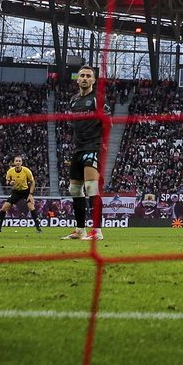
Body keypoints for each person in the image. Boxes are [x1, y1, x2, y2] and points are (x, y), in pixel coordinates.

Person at [61, 65, 110, 241]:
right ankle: (80, 230)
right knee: (74, 189)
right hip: (78, 148)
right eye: (82, 75)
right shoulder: (73, 100)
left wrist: (102, 144)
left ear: (94, 80)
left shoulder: (97, 99)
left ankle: (97, 231)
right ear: (77, 79)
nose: (84, 78)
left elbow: (107, 123)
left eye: (88, 76)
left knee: (91, 187)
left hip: (92, 146)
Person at [0, 155, 41, 233]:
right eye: (16, 161)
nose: (18, 162)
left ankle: (38, 228)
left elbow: (33, 182)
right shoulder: (10, 171)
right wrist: (10, 183)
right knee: (4, 208)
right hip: (16, 192)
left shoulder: (26, 171)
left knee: (31, 207)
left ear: (21, 162)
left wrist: (30, 194)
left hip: (25, 191)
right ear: (14, 162)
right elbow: (7, 181)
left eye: (19, 161)